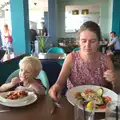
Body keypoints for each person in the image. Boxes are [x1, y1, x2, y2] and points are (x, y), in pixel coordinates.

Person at [49, 21, 116, 101]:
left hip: (100, 105)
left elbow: (112, 90)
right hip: (75, 103)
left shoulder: (106, 59)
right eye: (84, 41)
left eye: (93, 41)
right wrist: (55, 87)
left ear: (98, 42)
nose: (87, 45)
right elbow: (59, 83)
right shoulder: (71, 58)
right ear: (79, 42)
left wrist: (114, 80)